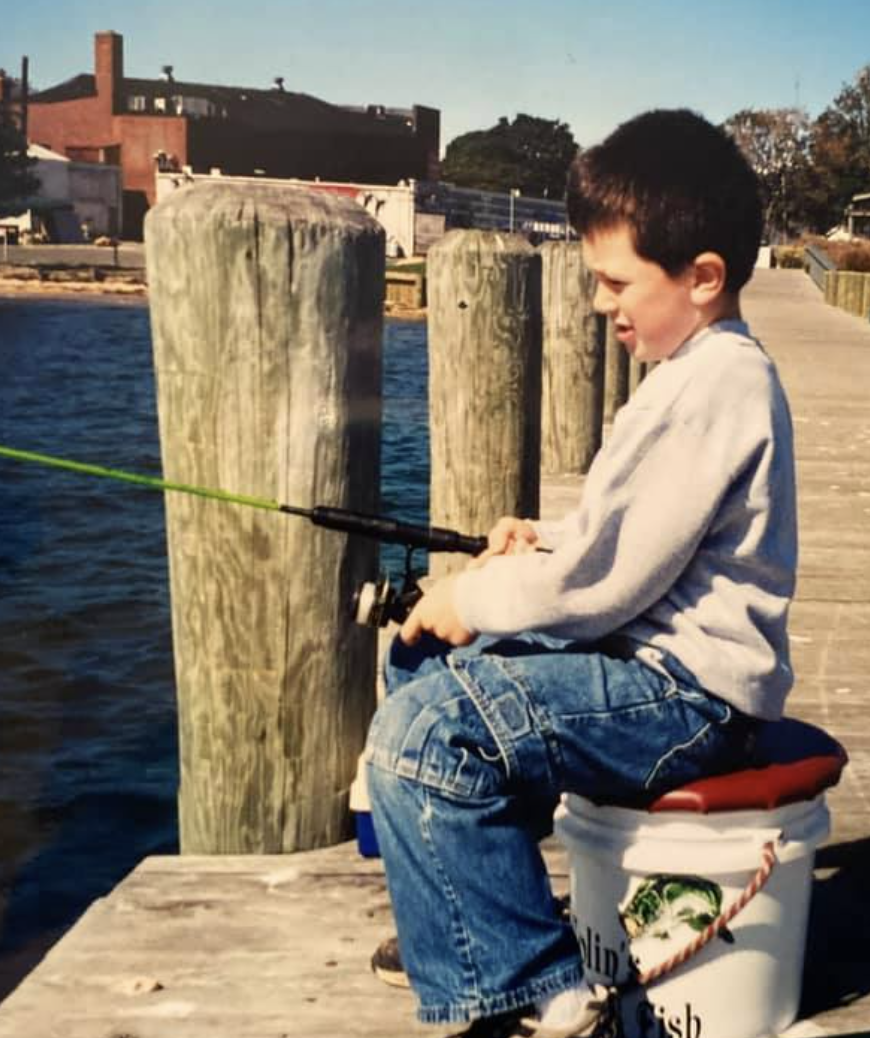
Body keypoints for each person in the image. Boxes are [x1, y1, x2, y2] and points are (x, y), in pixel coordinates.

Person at [364, 108, 797, 1038]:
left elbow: (606, 583)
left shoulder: (720, 382)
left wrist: (472, 594)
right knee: (420, 666)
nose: (602, 303)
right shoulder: (690, 370)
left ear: (703, 276)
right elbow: (626, 540)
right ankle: (467, 917)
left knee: (431, 729)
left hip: (689, 700)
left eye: (615, 283)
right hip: (647, 671)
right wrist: (546, 540)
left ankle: (546, 995)